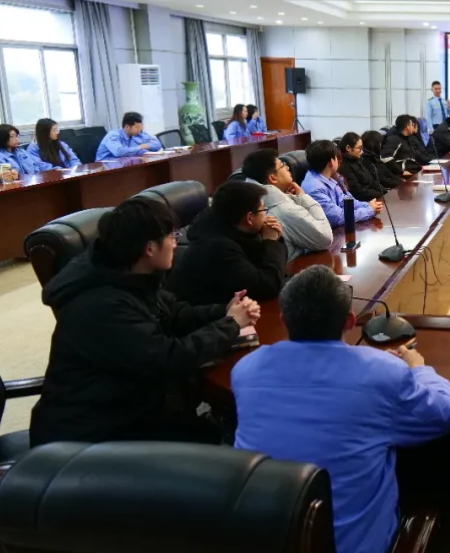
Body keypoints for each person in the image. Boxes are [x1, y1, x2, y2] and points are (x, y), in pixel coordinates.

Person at [233, 265, 450, 553]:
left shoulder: (246, 370)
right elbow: (445, 414)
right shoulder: (382, 373)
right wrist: (418, 369)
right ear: (351, 320)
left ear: (283, 319)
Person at [30, 197, 258, 446]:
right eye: (171, 236)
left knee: (214, 430)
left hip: (127, 406)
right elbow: (169, 358)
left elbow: (176, 314)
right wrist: (230, 325)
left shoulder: (129, 275)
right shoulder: (102, 305)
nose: (176, 242)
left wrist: (225, 311)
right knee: (217, 443)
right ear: (150, 248)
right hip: (90, 436)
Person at [165, 180, 288, 306]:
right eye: (263, 210)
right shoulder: (218, 248)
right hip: (196, 314)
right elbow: (268, 287)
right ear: (249, 218)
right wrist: (271, 242)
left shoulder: (230, 226)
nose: (266, 216)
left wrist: (273, 239)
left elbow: (271, 269)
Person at [241, 149, 333, 260]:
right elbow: (325, 238)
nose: (288, 168)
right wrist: (304, 198)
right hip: (293, 269)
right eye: (282, 165)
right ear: (272, 178)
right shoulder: (283, 209)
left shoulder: (251, 199)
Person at [302, 139, 382, 228]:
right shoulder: (315, 188)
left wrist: (368, 206)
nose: (339, 161)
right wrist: (369, 211)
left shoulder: (329, 176)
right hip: (331, 233)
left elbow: (345, 201)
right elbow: (338, 218)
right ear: (331, 162)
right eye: (336, 158)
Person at [339, 132, 397, 202]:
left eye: (362, 148)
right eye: (359, 148)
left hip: (374, 197)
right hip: (363, 201)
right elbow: (358, 192)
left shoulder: (358, 160)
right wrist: (380, 194)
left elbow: (372, 181)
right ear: (348, 148)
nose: (362, 151)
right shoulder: (345, 166)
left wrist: (384, 191)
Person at [96, 112, 161, 161]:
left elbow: (157, 144)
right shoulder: (113, 135)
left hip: (123, 164)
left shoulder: (136, 134)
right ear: (127, 127)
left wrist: (147, 146)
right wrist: (140, 147)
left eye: (141, 126)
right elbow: (119, 152)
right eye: (137, 127)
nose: (139, 129)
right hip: (105, 166)